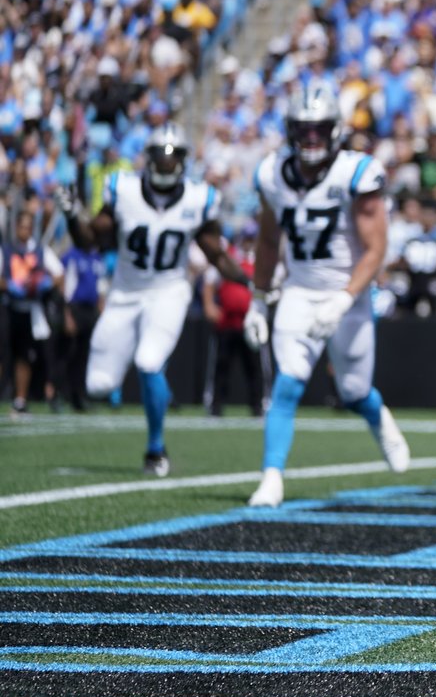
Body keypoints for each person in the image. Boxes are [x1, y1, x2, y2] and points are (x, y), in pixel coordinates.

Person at [241, 81, 410, 507]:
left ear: (335, 130)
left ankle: (378, 418)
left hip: (347, 296)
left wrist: (345, 296)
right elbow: (266, 241)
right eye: (303, 130)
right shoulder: (272, 173)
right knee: (288, 383)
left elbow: (375, 249)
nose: (310, 138)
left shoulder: (356, 173)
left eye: (318, 129)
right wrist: (259, 300)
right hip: (298, 291)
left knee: (353, 392)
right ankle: (272, 477)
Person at [60, 126, 252, 476]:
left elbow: (217, 257)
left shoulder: (198, 198)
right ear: (147, 160)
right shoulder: (125, 190)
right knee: (98, 385)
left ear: (182, 161)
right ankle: (154, 405)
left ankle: (155, 448)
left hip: (169, 291)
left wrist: (250, 281)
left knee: (149, 362)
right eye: (159, 158)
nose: (165, 165)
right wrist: (73, 214)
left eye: (171, 158)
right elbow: (89, 240)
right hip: (124, 294)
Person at [2, 210, 63, 416]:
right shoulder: (7, 250)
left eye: (29, 227)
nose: (25, 231)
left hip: (32, 310)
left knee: (25, 356)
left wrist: (43, 283)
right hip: (9, 307)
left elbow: (58, 274)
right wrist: (10, 285)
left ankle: (20, 399)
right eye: (22, 226)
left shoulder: (40, 251)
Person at [201, 227, 264, 418]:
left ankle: (258, 405)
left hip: (250, 323)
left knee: (255, 369)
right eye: (246, 237)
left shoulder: (262, 258)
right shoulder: (230, 257)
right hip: (227, 322)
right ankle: (215, 406)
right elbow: (210, 281)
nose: (248, 241)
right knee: (221, 367)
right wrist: (209, 305)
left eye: (251, 238)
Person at [60, 237, 105, 412]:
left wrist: (102, 312)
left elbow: (100, 288)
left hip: (91, 310)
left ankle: (80, 395)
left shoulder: (96, 258)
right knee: (68, 353)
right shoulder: (72, 255)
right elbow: (66, 286)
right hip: (75, 309)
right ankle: (61, 394)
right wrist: (67, 313)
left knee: (85, 355)